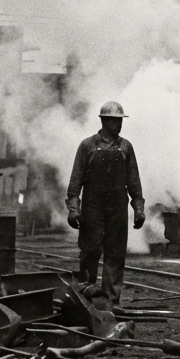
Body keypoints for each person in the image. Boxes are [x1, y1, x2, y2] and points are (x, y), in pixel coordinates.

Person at [66, 101, 145, 305]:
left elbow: (133, 181)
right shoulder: (87, 146)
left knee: (115, 254)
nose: (118, 124)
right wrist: (74, 210)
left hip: (117, 209)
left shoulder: (126, 147)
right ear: (103, 120)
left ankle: (111, 300)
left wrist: (139, 208)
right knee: (90, 251)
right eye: (113, 120)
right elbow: (76, 181)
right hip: (93, 208)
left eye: (120, 120)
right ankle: (86, 294)